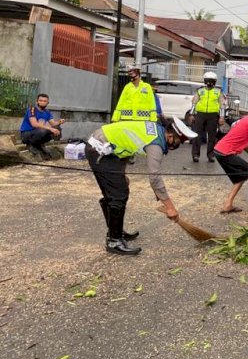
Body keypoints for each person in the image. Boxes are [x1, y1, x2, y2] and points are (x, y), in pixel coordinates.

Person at [85, 117, 197, 255]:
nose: (178, 146)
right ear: (170, 135)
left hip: (109, 149)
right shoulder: (155, 143)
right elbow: (155, 178)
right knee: (118, 195)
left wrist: (121, 174)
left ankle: (116, 231)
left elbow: (127, 145)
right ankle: (114, 241)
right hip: (99, 150)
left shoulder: (156, 131)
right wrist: (170, 207)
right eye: (179, 142)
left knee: (119, 189)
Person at [189, 71, 227, 163]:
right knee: (197, 135)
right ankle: (195, 155)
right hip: (200, 115)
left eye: (211, 80)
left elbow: (222, 105)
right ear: (205, 81)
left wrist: (222, 117)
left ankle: (210, 155)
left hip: (213, 116)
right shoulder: (200, 90)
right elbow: (194, 103)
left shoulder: (218, 92)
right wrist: (191, 114)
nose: (209, 82)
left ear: (215, 81)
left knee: (212, 137)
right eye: (208, 80)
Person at [19, 93, 64, 159]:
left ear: (47, 102)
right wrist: (50, 129)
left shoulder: (47, 112)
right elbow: (34, 124)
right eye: (40, 100)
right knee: (44, 130)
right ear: (37, 101)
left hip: (37, 133)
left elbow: (53, 123)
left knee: (57, 129)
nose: (42, 102)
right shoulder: (32, 109)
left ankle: (40, 144)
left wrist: (60, 122)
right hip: (26, 135)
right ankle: (30, 145)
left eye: (45, 101)